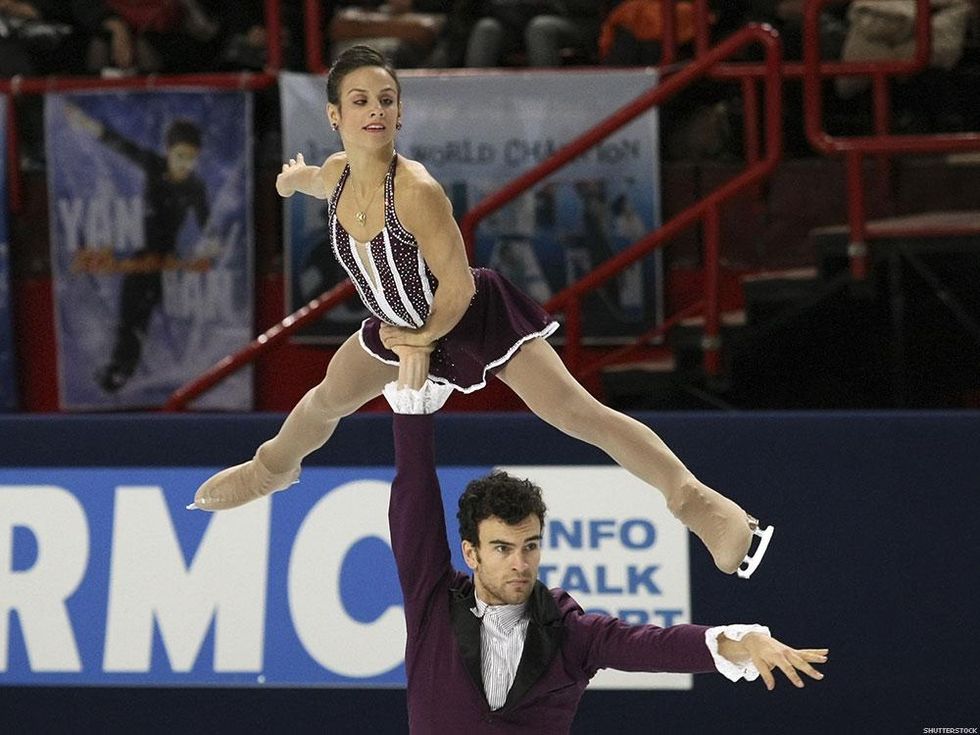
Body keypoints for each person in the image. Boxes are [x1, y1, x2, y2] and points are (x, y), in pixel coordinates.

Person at [189, 44, 763, 577]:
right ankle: (272, 469)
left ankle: (696, 501)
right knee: (324, 401)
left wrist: (420, 340)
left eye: (386, 100)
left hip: (466, 317)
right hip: (397, 328)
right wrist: (292, 182)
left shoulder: (417, 191)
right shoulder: (338, 173)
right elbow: (317, 181)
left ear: (400, 112)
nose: (376, 111)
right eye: (360, 101)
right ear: (335, 116)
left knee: (575, 414)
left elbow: (458, 289)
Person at [378, 351, 827, 732]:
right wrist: (412, 410)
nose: (521, 563)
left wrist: (743, 642)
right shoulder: (434, 604)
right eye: (502, 548)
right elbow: (414, 500)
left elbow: (656, 645)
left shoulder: (570, 634)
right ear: (470, 553)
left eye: (530, 546)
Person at [65, 104, 210, 393]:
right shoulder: (155, 167)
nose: (184, 164)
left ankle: (141, 373)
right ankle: (120, 372)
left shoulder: (195, 187)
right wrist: (89, 126)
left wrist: (209, 245)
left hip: (168, 263)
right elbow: (124, 147)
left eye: (191, 158)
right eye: (179, 156)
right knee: (132, 317)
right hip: (145, 259)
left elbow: (208, 223)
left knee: (154, 319)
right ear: (168, 152)